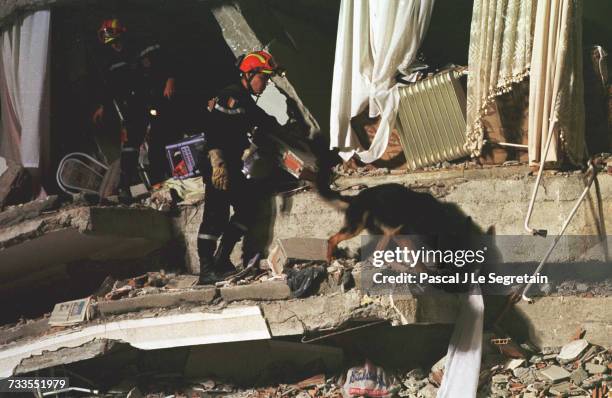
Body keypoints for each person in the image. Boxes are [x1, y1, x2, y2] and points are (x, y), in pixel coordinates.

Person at [197, 50, 284, 285]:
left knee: (247, 209)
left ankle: (222, 259)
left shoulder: (244, 100)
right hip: (218, 165)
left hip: (233, 165)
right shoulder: (230, 96)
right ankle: (206, 271)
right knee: (215, 217)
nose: (264, 84)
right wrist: (218, 162)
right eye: (263, 78)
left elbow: (264, 120)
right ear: (248, 74)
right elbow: (212, 129)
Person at [92, 18, 176, 196]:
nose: (113, 44)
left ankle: (158, 181)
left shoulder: (143, 46)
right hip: (133, 105)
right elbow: (110, 88)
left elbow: (166, 61)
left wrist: (169, 81)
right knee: (130, 145)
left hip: (153, 100)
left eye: (114, 38)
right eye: (109, 40)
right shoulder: (112, 61)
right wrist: (103, 106)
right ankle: (127, 188)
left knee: (156, 141)